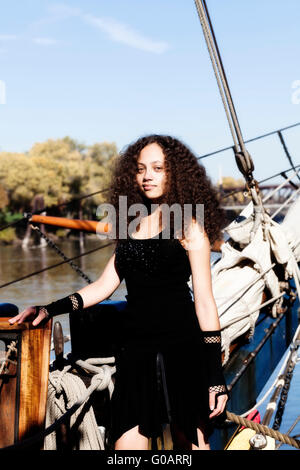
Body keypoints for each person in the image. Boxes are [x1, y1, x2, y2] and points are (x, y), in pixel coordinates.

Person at [9, 134, 229, 450]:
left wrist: (214, 375)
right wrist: (48, 308)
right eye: (141, 169)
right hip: (136, 353)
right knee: (124, 448)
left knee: (191, 446)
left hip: (182, 350)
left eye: (157, 168)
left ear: (175, 173)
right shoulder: (132, 226)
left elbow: (205, 303)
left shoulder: (189, 227)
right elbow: (102, 286)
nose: (147, 176)